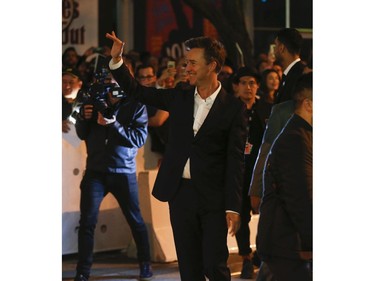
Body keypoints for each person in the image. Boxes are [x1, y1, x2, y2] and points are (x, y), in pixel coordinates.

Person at [106, 31, 247, 281]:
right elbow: (138, 91)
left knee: (214, 265)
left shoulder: (234, 109)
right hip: (180, 194)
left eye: (193, 62)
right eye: (186, 62)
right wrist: (117, 61)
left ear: (212, 65)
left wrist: (233, 207)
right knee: (189, 268)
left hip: (213, 198)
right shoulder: (179, 96)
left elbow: (235, 160)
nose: (186, 67)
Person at [73, 72, 152, 281]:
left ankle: (146, 265)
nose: (110, 83)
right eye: (106, 80)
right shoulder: (92, 101)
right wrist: (83, 118)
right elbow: (82, 133)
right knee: (87, 221)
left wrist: (113, 123)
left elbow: (138, 139)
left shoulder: (136, 105)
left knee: (135, 220)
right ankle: (83, 271)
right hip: (95, 171)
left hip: (123, 171)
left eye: (114, 79)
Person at [256, 72, 313, 281]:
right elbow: (301, 198)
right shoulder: (296, 140)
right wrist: (311, 241)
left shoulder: (304, 135)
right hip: (288, 246)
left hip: (288, 245)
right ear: (309, 104)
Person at [231, 67, 264, 279]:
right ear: (236, 86)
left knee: (267, 215)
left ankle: (262, 252)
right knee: (241, 217)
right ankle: (246, 258)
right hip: (238, 172)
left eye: (252, 83)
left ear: (257, 86)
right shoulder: (230, 109)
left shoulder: (267, 110)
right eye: (243, 82)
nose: (248, 87)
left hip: (261, 172)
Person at [273, 28, 306, 104]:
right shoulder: (290, 74)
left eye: (275, 45)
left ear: (281, 48)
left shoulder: (300, 76)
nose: (274, 50)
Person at [62, 67, 83, 133]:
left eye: (71, 82)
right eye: (64, 82)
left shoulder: (85, 105)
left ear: (79, 84)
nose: (67, 86)